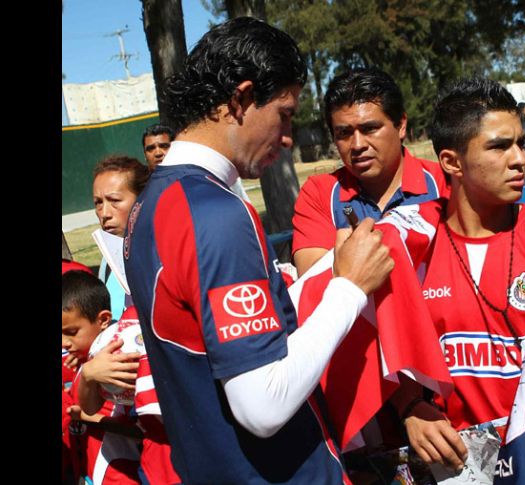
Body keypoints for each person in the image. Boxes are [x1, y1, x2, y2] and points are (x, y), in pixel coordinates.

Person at [123, 17, 394, 484]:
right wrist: (347, 289)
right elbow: (263, 405)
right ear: (242, 99)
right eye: (284, 114)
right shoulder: (216, 213)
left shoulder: (150, 204)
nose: (288, 137)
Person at [397, 77, 525, 471]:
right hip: (455, 467)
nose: (520, 158)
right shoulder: (411, 243)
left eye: (519, 143)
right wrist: (409, 406)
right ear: (452, 162)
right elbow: (381, 348)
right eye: (499, 146)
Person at [292, 67, 447, 276]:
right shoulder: (320, 193)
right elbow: (313, 281)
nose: (357, 145)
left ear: (401, 125)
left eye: (369, 129)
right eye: (344, 133)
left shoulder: (445, 183)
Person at [62, 270, 143, 485]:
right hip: (92, 470)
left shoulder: (119, 361)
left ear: (104, 320)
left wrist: (83, 416)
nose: (64, 342)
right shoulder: (86, 359)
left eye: (71, 332)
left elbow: (140, 428)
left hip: (119, 473)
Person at [92, 155, 150, 320]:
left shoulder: (161, 253)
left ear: (142, 199)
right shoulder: (109, 256)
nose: (104, 214)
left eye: (114, 200)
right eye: (98, 203)